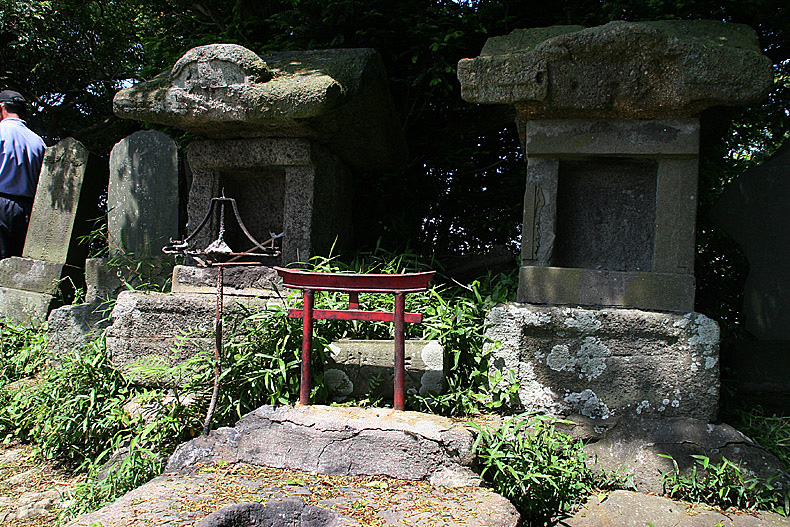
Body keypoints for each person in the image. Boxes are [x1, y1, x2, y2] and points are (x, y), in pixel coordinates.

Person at [0, 90, 46, 259]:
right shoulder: (38, 141)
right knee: (16, 264)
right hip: (27, 209)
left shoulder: (1, 132)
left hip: (1, 203)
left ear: (1, 107)